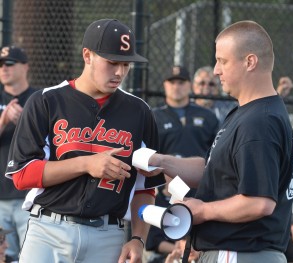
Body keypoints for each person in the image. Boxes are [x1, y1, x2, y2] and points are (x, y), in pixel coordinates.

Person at [4, 19, 165, 263]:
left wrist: (138, 238)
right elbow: (22, 174)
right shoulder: (46, 101)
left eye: (126, 64)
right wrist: (85, 164)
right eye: (112, 63)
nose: (120, 72)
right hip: (48, 230)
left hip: (108, 234)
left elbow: (146, 185)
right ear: (87, 55)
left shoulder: (140, 112)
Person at [138, 20, 293, 263]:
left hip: (241, 253)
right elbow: (217, 171)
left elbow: (259, 202)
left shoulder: (259, 122)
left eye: (223, 61)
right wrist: (162, 162)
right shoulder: (247, 112)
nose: (215, 70)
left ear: (250, 62)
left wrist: (202, 210)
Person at [145, 66, 219, 262]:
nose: (176, 87)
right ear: (165, 85)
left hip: (200, 188)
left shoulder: (208, 116)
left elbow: (217, 155)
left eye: (181, 82)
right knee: (162, 232)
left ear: (189, 86)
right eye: (172, 82)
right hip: (167, 189)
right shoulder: (154, 116)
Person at [0, 46, 36, 262]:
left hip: (29, 196)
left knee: (30, 256)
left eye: (10, 64)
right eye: (1, 65)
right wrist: (3, 120)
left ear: (25, 67)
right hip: (0, 196)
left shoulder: (39, 98)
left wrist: (26, 122)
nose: (4, 68)